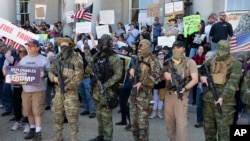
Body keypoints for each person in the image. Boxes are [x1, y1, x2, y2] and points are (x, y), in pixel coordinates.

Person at [198, 40, 242, 140]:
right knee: (209, 132)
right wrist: (201, 77)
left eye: (223, 52)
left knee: (224, 133)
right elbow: (198, 71)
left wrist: (222, 97)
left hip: (224, 103)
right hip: (208, 100)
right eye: (219, 51)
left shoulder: (236, 64)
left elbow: (233, 82)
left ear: (228, 51)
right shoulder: (212, 60)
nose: (221, 54)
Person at [162, 40, 198, 141]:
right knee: (169, 122)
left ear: (183, 49)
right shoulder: (168, 61)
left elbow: (195, 79)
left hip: (181, 96)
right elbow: (160, 75)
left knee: (181, 124)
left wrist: (185, 88)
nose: (176, 50)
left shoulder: (190, 62)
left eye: (178, 48)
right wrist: (165, 74)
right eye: (174, 48)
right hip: (169, 95)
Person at [49, 37, 84, 141]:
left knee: (72, 117)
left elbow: (79, 76)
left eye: (65, 45)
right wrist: (54, 78)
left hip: (71, 93)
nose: (63, 47)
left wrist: (67, 86)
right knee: (57, 116)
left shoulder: (76, 58)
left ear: (70, 46)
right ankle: (58, 137)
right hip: (58, 93)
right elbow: (50, 71)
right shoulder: (57, 58)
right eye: (61, 45)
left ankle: (74, 138)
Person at [90, 34, 123, 141]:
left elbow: (118, 75)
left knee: (106, 117)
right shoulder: (97, 56)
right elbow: (89, 66)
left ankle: (108, 137)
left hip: (107, 91)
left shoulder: (114, 58)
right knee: (99, 115)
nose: (103, 45)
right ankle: (101, 135)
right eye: (101, 42)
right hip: (96, 90)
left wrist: (106, 84)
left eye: (105, 42)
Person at [18, 39, 50, 141]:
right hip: (26, 90)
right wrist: (8, 72)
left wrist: (44, 74)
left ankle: (38, 132)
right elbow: (17, 72)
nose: (29, 48)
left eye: (32, 46)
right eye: (28, 46)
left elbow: (51, 72)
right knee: (28, 111)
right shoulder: (23, 59)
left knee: (37, 111)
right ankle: (32, 128)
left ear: (37, 48)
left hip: (38, 90)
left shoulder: (44, 59)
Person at [129, 39, 161, 141]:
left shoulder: (152, 59)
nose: (141, 47)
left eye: (143, 46)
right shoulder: (137, 58)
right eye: (140, 46)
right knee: (134, 123)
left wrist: (142, 83)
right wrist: (130, 70)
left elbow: (156, 74)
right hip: (134, 93)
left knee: (143, 124)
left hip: (145, 94)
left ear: (148, 46)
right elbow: (131, 73)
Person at [3, 44, 30, 131]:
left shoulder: (30, 60)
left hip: (27, 86)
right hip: (17, 86)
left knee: (26, 105)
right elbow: (7, 55)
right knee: (16, 104)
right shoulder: (15, 60)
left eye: (23, 51)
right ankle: (18, 121)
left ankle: (27, 123)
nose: (21, 53)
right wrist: (10, 47)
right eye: (20, 51)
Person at [115, 46, 133, 130]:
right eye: (121, 50)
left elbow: (134, 71)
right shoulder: (118, 59)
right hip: (120, 84)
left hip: (127, 85)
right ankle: (123, 120)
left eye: (124, 51)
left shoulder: (131, 60)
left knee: (123, 103)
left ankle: (131, 122)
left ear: (128, 53)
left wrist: (128, 69)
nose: (122, 52)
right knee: (122, 103)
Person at [149, 50, 165, 119]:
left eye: (163, 53)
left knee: (161, 97)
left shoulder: (166, 63)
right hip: (155, 82)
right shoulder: (154, 64)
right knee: (155, 97)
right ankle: (154, 112)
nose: (161, 55)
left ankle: (159, 112)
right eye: (160, 53)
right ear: (157, 55)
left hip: (163, 82)